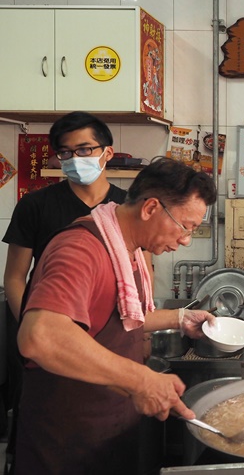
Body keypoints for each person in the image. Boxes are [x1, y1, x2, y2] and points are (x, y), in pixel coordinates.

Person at [15, 157, 217, 474]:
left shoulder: (126, 248)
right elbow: (40, 336)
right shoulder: (81, 249)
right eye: (184, 226)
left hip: (108, 426)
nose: (186, 239)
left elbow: (121, 317)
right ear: (150, 208)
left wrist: (178, 320)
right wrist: (142, 380)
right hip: (67, 441)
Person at [2, 111, 129, 472]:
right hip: (47, 343)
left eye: (85, 149)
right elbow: (15, 277)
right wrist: (34, 327)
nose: (75, 160)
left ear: (107, 152)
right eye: (66, 153)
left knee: (104, 434)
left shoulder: (127, 208)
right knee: (45, 437)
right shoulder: (36, 206)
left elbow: (138, 279)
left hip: (108, 338)